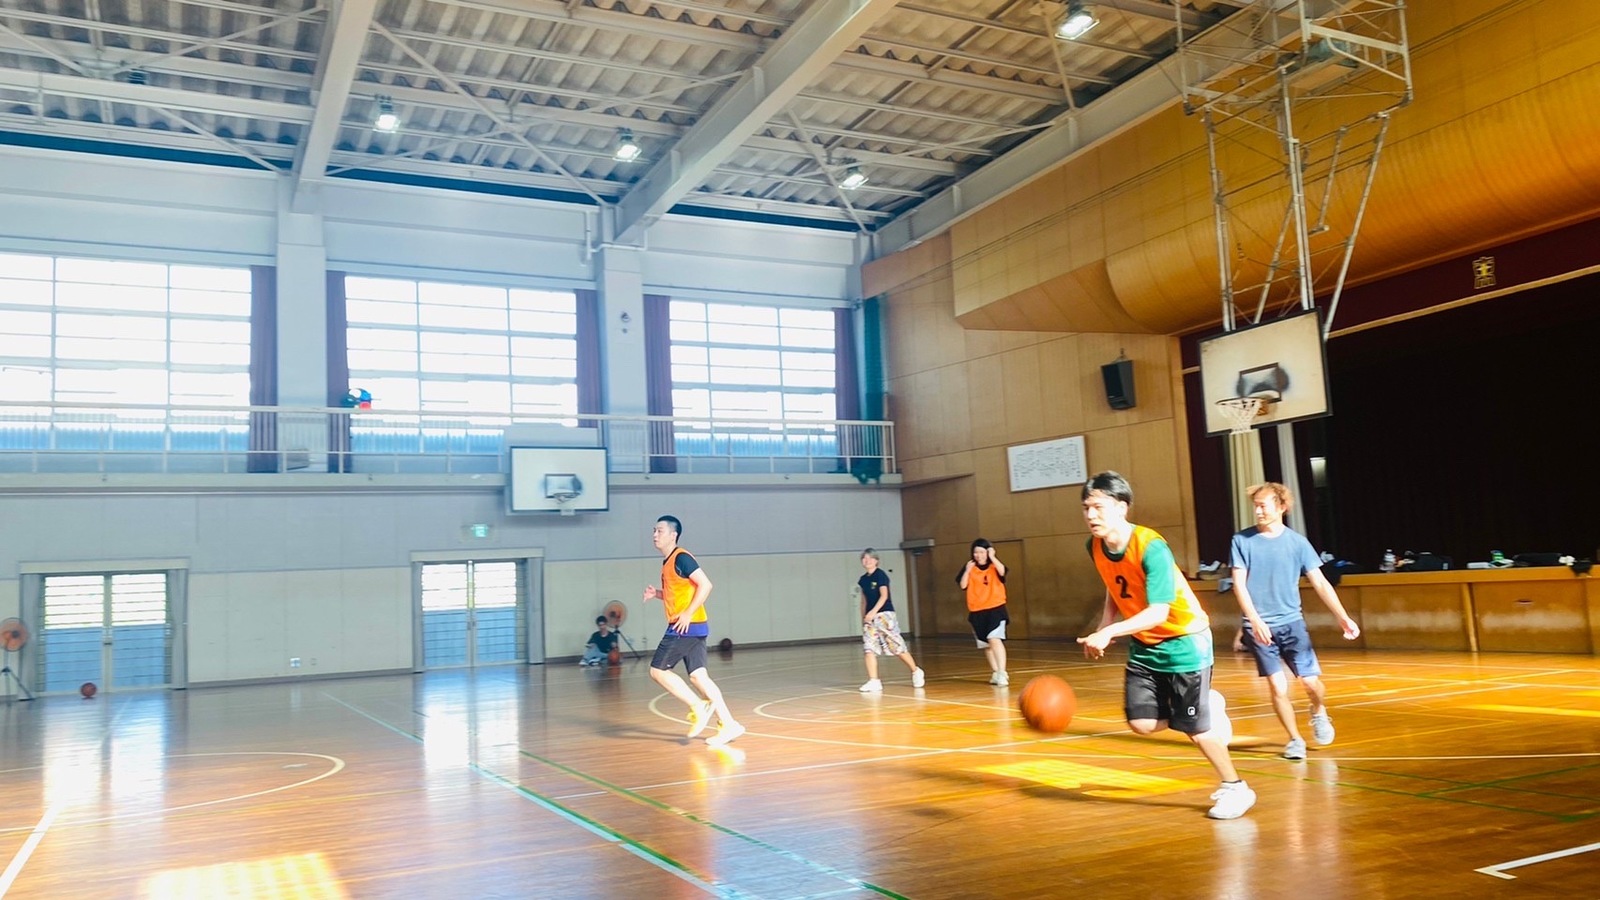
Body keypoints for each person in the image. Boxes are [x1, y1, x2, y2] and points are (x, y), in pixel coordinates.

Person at [1076, 470, 1256, 820]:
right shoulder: (1094, 546)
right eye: (1086, 508)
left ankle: (1236, 787)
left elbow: (1158, 612)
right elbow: (1116, 587)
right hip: (1146, 646)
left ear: (1122, 508)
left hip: (1184, 642)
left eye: (1098, 507)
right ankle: (1208, 707)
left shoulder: (1151, 546)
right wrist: (1104, 624)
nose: (1091, 515)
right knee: (1141, 723)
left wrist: (1110, 634)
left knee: (1195, 730)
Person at [1229, 482, 1360, 760]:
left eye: (1263, 505)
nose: (1258, 511)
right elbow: (1239, 585)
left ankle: (1318, 711)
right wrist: (1253, 620)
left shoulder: (1298, 543)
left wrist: (1343, 617)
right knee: (1278, 686)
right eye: (1255, 505)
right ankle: (1294, 739)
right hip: (1258, 626)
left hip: (1292, 623)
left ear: (1281, 507)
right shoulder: (1241, 541)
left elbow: (1321, 584)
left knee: (1311, 683)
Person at [643, 515, 745, 747]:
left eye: (659, 531)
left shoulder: (682, 558)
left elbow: (706, 584)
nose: (655, 535)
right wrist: (657, 594)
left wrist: (688, 613)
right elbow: (679, 592)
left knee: (657, 671)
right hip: (696, 626)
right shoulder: (668, 562)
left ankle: (699, 706)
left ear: (673, 535)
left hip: (685, 626)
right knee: (699, 676)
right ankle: (729, 724)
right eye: (654, 531)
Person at [857, 548, 925, 692]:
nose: (867, 561)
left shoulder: (881, 575)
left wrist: (874, 612)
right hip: (870, 618)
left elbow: (884, 596)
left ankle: (915, 670)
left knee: (896, 647)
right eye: (864, 558)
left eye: (870, 558)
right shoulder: (863, 580)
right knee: (869, 648)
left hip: (884, 615)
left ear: (876, 561)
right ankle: (874, 680)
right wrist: (864, 617)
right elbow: (863, 600)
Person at [959, 538, 1010, 686]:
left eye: (982, 552)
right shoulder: (969, 567)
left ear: (987, 552)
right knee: (986, 645)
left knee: (994, 638)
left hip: (995, 609)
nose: (978, 555)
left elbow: (1003, 572)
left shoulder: (994, 566)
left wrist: (993, 557)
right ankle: (995, 672)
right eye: (976, 552)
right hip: (977, 611)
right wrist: (967, 571)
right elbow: (963, 585)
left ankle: (1002, 672)